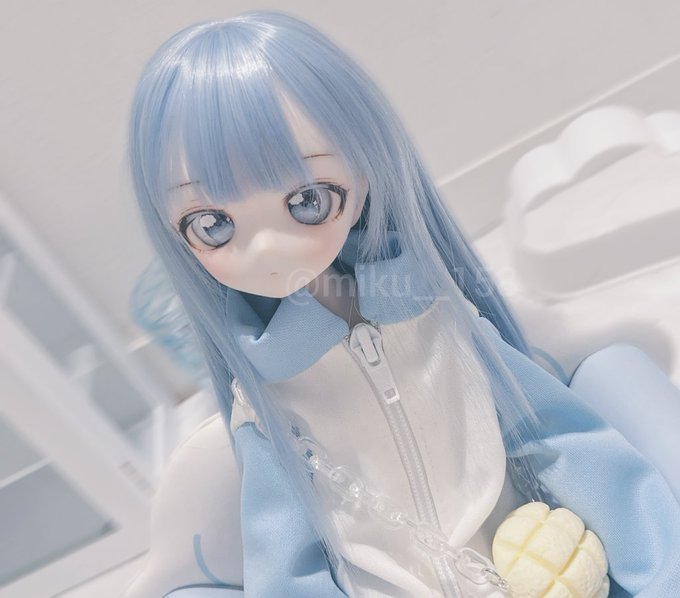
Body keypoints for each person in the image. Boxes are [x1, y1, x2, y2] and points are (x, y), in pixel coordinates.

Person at [125, 11, 680, 597]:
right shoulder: (265, 402)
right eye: (212, 224)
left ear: (366, 173)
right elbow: (286, 564)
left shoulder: (440, 318)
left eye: (308, 201)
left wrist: (657, 574)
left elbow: (564, 440)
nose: (265, 249)